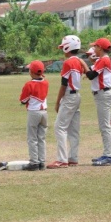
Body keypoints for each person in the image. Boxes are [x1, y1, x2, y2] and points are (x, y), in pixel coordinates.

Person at [47, 35, 84, 169]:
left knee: (60, 127)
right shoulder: (78, 61)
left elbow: (64, 84)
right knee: (73, 129)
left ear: (68, 48)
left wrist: (57, 102)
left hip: (69, 96)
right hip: (77, 96)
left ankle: (62, 159)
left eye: (64, 47)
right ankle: (73, 158)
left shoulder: (68, 62)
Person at [79, 38, 111, 166]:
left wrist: (82, 63)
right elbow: (90, 69)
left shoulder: (104, 59)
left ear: (100, 48)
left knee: (105, 126)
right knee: (104, 126)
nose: (93, 49)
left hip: (103, 94)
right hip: (102, 94)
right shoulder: (102, 60)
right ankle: (107, 154)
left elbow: (91, 75)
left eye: (95, 47)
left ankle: (108, 156)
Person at [19, 60, 49, 171]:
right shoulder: (46, 82)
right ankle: (41, 161)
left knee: (32, 138)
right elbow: (42, 80)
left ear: (31, 72)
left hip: (34, 112)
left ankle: (34, 162)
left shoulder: (29, 84)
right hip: (44, 112)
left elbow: (23, 100)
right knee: (41, 138)